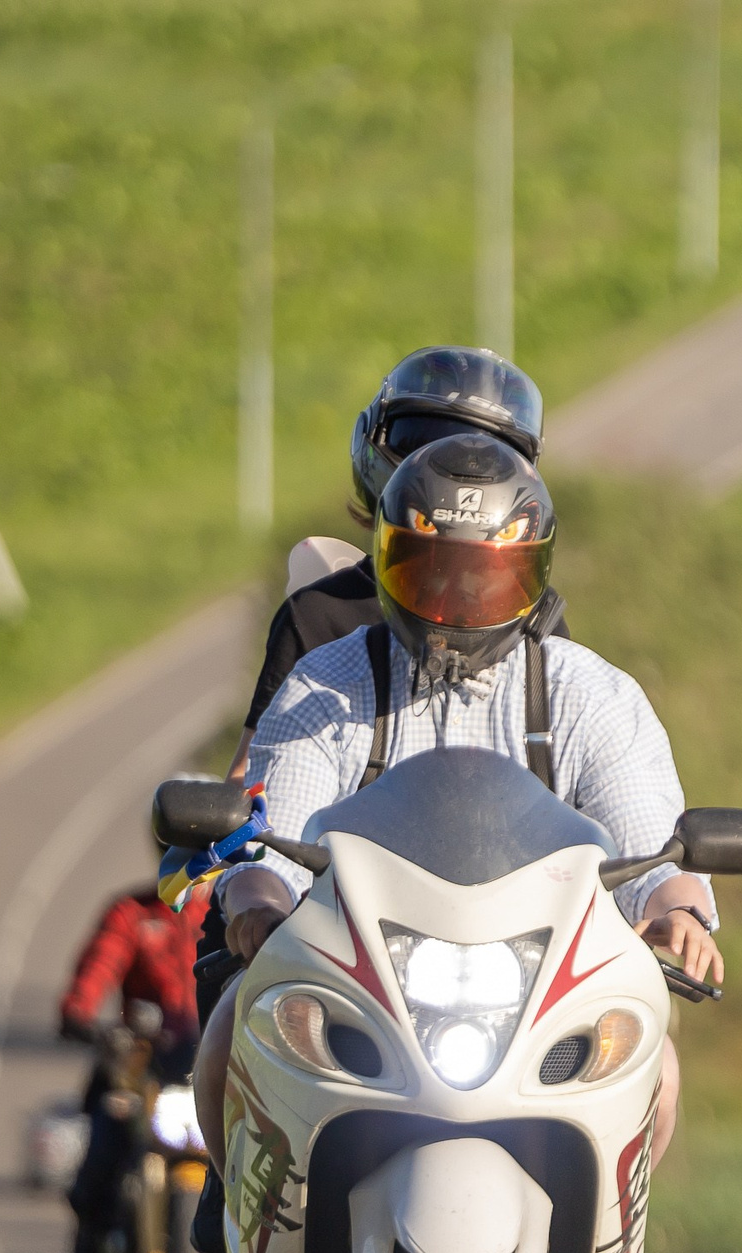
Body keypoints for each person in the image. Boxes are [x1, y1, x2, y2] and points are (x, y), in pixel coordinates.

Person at [205, 432, 720, 1174]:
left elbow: (652, 840)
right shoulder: (327, 684)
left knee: (658, 1072)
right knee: (231, 1033)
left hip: (542, 993)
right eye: (431, 574)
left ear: (533, 574)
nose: (459, 601)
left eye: (488, 578)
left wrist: (679, 907)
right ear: (386, 562)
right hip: (362, 982)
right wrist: (254, 892)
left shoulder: (591, 695)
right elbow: (267, 831)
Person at [196, 347, 568, 1027]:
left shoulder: (536, 622)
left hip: (495, 923)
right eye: (423, 444)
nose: (458, 475)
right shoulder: (321, 616)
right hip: (345, 918)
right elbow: (256, 785)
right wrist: (252, 879)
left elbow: (566, 781)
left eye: (483, 453)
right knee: (232, 1028)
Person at [58, 874, 212, 1253]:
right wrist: (83, 1017)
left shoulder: (230, 911)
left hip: (220, 1067)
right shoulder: (131, 913)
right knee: (107, 1132)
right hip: (149, 1070)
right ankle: (97, 1226)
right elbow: (91, 981)